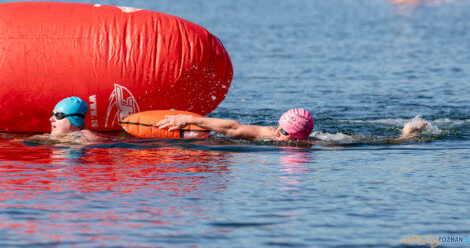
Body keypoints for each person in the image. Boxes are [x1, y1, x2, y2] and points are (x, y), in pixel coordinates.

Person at [157, 108, 427, 142]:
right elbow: (232, 127)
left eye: (284, 132)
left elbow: (375, 143)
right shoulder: (267, 134)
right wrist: (189, 119)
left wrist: (405, 136)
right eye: (279, 129)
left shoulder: (317, 143)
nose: (278, 133)